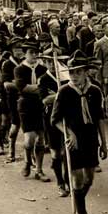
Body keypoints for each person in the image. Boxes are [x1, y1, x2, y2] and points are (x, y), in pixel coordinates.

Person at [51, 50, 108, 214]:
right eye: (71, 72)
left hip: (91, 138)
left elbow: (100, 118)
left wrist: (104, 143)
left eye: (78, 72)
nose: (74, 76)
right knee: (76, 180)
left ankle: (79, 200)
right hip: (72, 139)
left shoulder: (95, 90)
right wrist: (69, 133)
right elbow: (55, 119)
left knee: (89, 179)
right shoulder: (64, 91)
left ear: (86, 72)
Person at [14, 41, 51, 182]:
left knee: (41, 139)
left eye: (36, 52)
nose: (34, 55)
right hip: (25, 105)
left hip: (40, 105)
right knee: (29, 139)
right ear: (25, 54)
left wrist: (36, 88)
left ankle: (39, 170)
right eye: (31, 52)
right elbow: (22, 88)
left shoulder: (42, 68)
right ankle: (27, 161)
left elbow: (47, 85)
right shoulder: (19, 69)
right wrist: (41, 89)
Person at [38, 47, 70, 197]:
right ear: (45, 62)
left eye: (55, 61)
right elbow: (45, 99)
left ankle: (68, 180)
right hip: (51, 118)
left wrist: (56, 95)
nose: (52, 64)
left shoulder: (65, 76)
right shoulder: (44, 79)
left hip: (67, 116)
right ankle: (60, 182)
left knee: (67, 151)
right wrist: (60, 94)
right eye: (49, 61)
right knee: (56, 152)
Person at [1, 36, 25, 162]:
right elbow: (6, 84)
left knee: (30, 130)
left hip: (27, 99)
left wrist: (17, 83)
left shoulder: (27, 63)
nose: (19, 51)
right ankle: (11, 151)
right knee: (15, 125)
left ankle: (30, 157)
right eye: (16, 48)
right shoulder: (7, 64)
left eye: (21, 48)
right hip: (13, 98)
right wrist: (23, 86)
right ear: (11, 50)